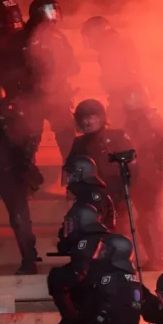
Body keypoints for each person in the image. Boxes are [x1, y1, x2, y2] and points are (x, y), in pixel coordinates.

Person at [0, 81, 42, 275]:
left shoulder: (13, 118)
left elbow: (26, 145)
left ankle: (29, 259)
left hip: (12, 174)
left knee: (20, 219)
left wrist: (24, 170)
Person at [23, 0, 79, 160]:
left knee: (67, 139)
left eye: (55, 9)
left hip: (54, 96)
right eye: (49, 9)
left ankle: (74, 175)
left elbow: (72, 65)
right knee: (30, 142)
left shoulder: (57, 36)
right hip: (34, 98)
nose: (54, 14)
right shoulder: (28, 37)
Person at [66, 99, 133, 234]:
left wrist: (127, 193)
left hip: (116, 198)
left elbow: (132, 166)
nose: (87, 122)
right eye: (83, 118)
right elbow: (70, 171)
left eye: (91, 117)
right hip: (91, 201)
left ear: (101, 118)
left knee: (120, 237)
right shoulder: (79, 143)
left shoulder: (117, 136)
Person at [123, 86, 163, 270]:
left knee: (150, 217)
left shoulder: (150, 121)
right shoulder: (142, 119)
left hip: (148, 176)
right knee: (146, 218)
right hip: (141, 175)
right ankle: (154, 258)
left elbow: (143, 147)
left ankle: (156, 260)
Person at [81, 16, 142, 128]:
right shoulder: (118, 40)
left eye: (90, 36)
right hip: (132, 96)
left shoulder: (110, 46)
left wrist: (107, 82)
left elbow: (120, 77)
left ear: (97, 33)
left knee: (115, 132)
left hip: (125, 97)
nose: (90, 41)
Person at [61, 155, 115, 231]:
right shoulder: (85, 193)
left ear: (79, 174)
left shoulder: (93, 197)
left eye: (69, 175)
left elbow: (92, 226)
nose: (67, 179)